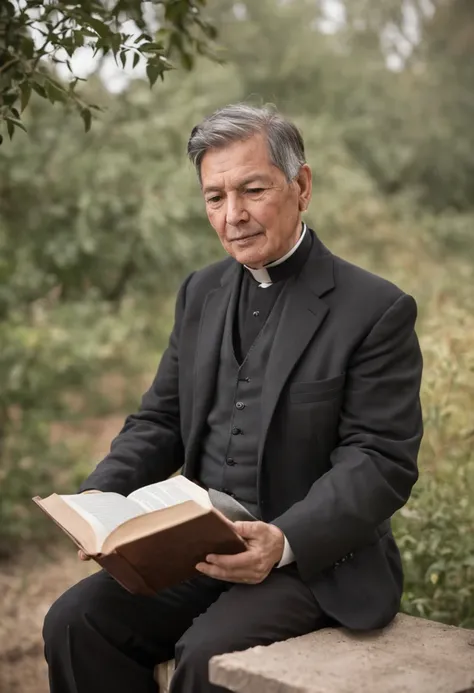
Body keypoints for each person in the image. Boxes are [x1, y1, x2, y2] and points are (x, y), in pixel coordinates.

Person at [42, 104, 423, 693]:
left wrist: (283, 541)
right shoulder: (200, 290)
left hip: (313, 565)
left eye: (252, 190)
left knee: (206, 658)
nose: (233, 216)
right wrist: (100, 498)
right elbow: (160, 417)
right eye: (214, 197)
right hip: (197, 549)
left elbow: (378, 461)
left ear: (302, 187)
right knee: (76, 621)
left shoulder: (375, 309)